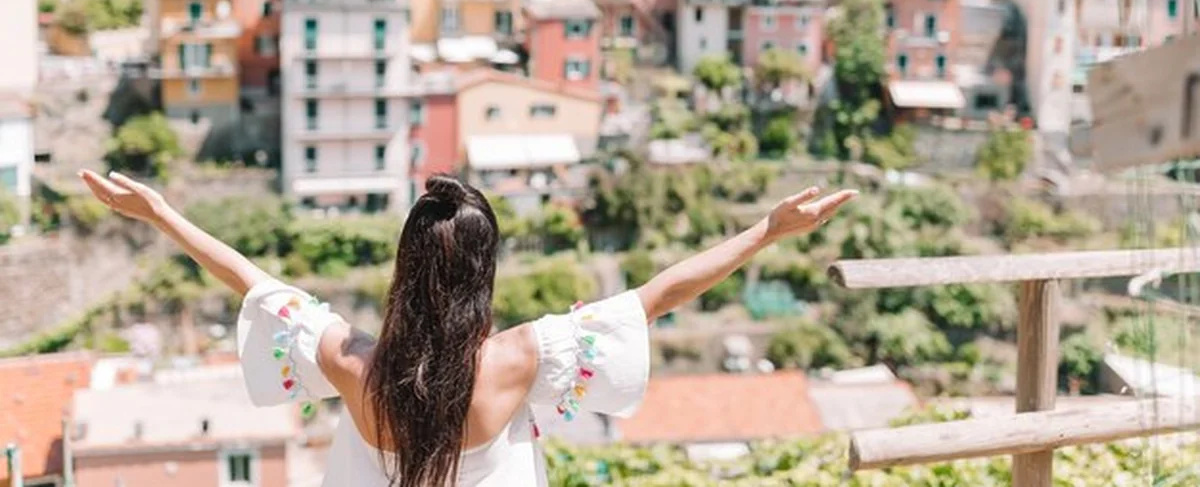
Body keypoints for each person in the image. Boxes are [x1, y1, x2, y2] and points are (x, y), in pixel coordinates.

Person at [79, 169, 856, 487]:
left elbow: (251, 278)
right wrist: (765, 229)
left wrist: (161, 213)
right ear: (483, 273)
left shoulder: (355, 362)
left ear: (404, 267)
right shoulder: (520, 358)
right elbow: (658, 294)